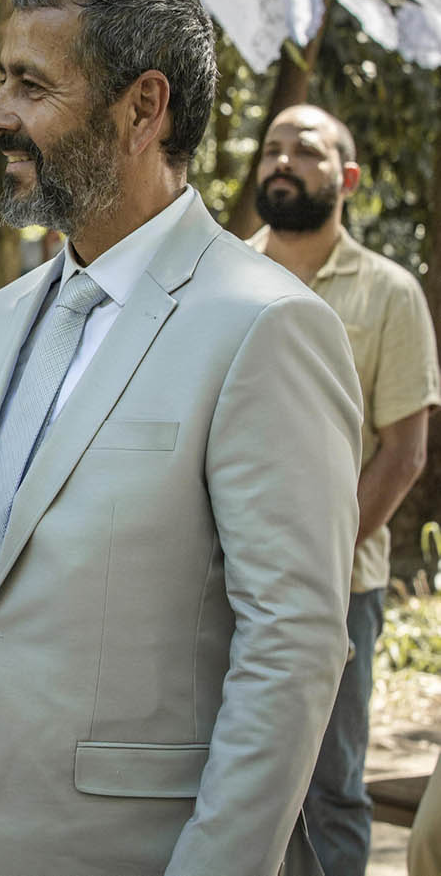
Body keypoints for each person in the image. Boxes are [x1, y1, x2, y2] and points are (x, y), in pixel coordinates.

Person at [0, 0, 364, 876]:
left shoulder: (269, 325)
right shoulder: (5, 318)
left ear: (144, 107)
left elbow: (292, 649)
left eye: (31, 84)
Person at [248, 103, 441, 875]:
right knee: (216, 782)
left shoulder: (390, 294)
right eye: (271, 149)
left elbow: (405, 453)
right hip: (220, 578)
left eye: (307, 150)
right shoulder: (219, 275)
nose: (282, 161)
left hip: (340, 588)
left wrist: (317, 559)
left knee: (328, 790)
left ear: (348, 178)